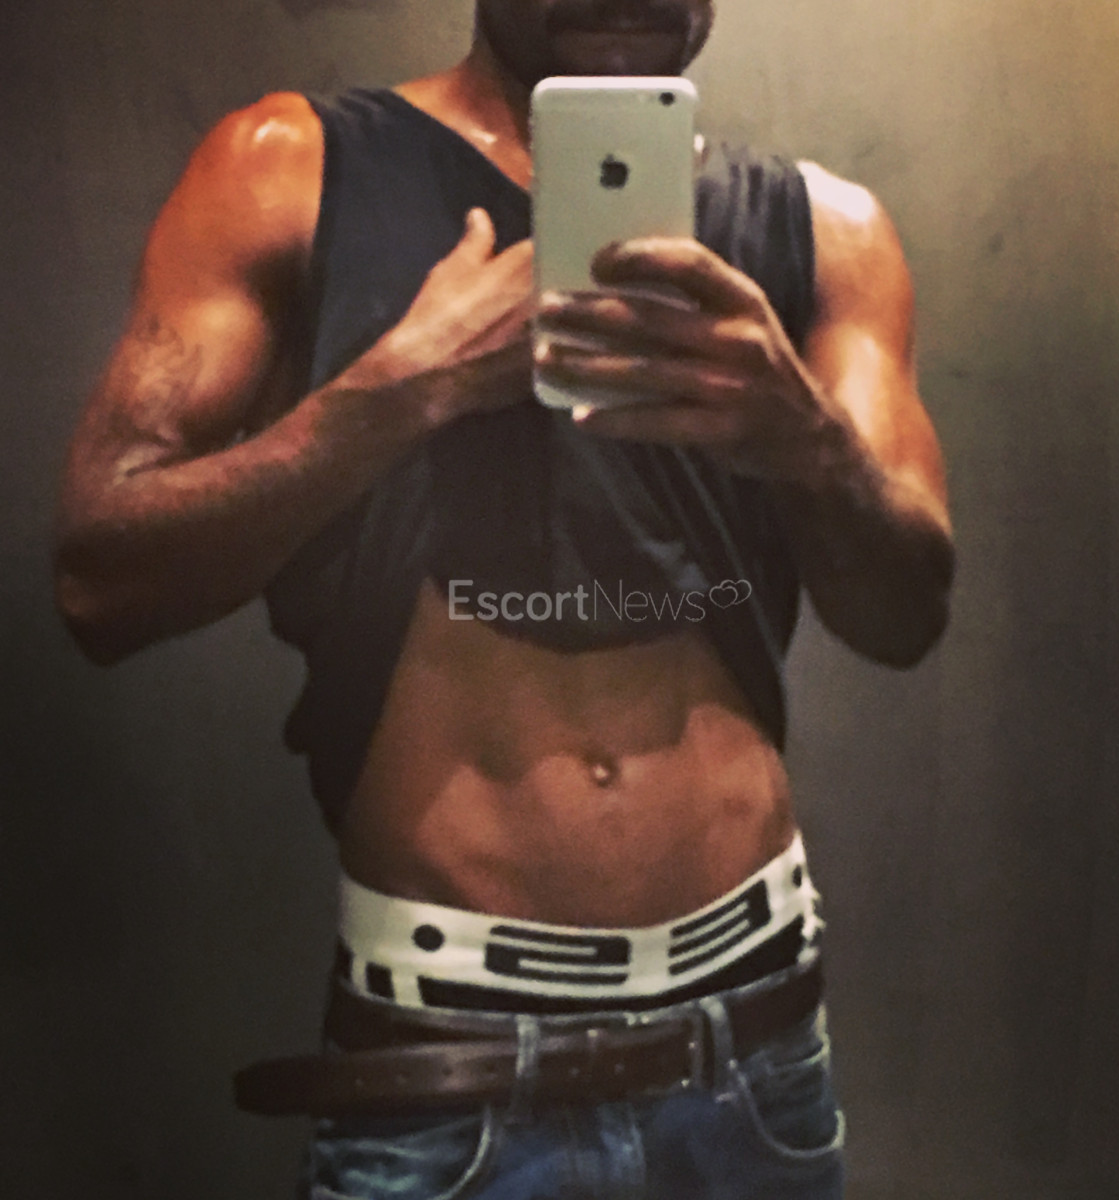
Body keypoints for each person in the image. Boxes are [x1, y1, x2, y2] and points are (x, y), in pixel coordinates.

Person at [55, 0, 954, 1195]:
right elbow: (99, 582)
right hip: (448, 1082)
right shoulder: (286, 172)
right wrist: (390, 399)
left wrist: (805, 440)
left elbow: (907, 617)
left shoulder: (830, 233)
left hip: (755, 1063)